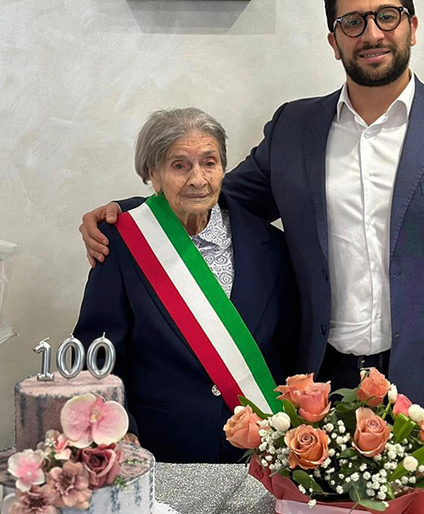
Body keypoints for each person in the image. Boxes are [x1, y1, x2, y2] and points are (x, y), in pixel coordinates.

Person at [79, 0, 424, 513]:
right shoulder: (295, 127)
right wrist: (124, 217)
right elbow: (216, 195)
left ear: (412, 26)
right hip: (318, 390)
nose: (372, 32)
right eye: (352, 22)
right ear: (334, 40)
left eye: (387, 17)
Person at [74, 107, 299, 464]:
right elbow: (97, 356)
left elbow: (287, 349)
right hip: (159, 449)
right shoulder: (122, 244)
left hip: (256, 453)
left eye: (210, 163)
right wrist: (118, 432)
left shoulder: (270, 245)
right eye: (179, 166)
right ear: (153, 174)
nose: (198, 179)